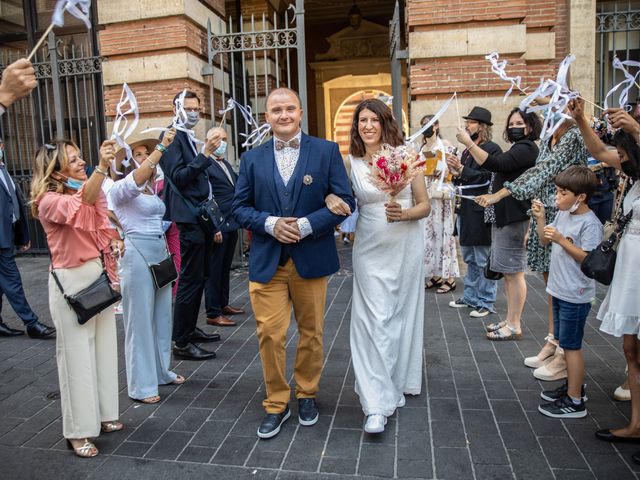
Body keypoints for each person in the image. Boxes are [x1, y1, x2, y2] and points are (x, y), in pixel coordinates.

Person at [232, 87, 354, 439]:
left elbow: (345, 201)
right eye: (275, 110)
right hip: (267, 260)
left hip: (311, 258)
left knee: (311, 333)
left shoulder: (326, 151)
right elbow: (239, 207)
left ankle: (307, 392)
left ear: (300, 113)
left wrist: (304, 225)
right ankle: (276, 401)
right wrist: (270, 224)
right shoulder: (252, 159)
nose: (283, 116)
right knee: (270, 334)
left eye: (289, 109)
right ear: (266, 117)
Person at [327, 98, 430, 434]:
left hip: (405, 242)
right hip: (369, 244)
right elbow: (341, 198)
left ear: (385, 122)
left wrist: (405, 212)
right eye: (361, 121)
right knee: (373, 318)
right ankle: (375, 403)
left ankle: (394, 382)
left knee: (399, 314)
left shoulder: (408, 154)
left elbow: (425, 206)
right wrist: (331, 200)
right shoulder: (350, 161)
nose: (367, 126)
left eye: (373, 119)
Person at [30, 139, 124, 458]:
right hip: (70, 284)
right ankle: (77, 431)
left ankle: (103, 414)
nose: (81, 162)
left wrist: (113, 241)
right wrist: (100, 166)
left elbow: (97, 217)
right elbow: (81, 202)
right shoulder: (48, 201)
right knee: (76, 361)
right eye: (74, 159)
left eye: (81, 157)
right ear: (55, 170)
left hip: (97, 276)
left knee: (103, 350)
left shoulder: (84, 191)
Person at [476, 113, 587, 379]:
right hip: (545, 214)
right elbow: (539, 173)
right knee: (552, 283)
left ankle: (562, 351)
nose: (543, 109)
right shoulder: (551, 138)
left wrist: (499, 194)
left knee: (564, 286)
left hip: (564, 218)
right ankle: (552, 341)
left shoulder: (571, 135)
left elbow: (541, 173)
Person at [110, 130, 188, 404]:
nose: (145, 158)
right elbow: (139, 177)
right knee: (139, 322)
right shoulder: (120, 189)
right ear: (127, 162)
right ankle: (141, 386)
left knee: (162, 316)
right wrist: (160, 150)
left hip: (158, 250)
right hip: (137, 254)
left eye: (146, 153)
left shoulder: (149, 188)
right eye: (138, 154)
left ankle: (161, 371)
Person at [457, 108, 541, 340]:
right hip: (504, 215)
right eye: (511, 122)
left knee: (514, 273)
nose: (513, 126)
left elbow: (496, 164)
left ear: (530, 127)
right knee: (508, 271)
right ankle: (510, 319)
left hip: (515, 216)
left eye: (519, 123)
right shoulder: (519, 147)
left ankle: (514, 325)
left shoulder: (527, 148)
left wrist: (468, 144)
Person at [530, 166, 601, 418]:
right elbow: (544, 240)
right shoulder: (562, 214)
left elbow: (589, 259)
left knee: (571, 346)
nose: (556, 197)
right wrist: (540, 220)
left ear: (580, 197)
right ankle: (573, 385)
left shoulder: (590, 223)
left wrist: (562, 240)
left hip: (576, 292)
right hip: (559, 289)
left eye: (562, 193)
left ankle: (575, 400)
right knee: (562, 341)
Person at [160, 90, 221, 361]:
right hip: (188, 218)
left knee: (201, 276)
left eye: (197, 108)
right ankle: (181, 342)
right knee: (190, 279)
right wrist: (205, 154)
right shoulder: (171, 137)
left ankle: (189, 328)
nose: (194, 112)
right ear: (176, 109)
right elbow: (179, 177)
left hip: (201, 217)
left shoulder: (188, 136)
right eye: (188, 108)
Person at [446, 106, 502, 318]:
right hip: (465, 209)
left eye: (470, 122)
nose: (467, 126)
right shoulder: (467, 150)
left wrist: (462, 170)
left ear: (482, 126)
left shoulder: (492, 149)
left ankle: (486, 301)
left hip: (481, 209)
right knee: (469, 257)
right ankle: (470, 297)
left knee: (482, 258)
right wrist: (455, 170)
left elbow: (488, 176)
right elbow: (466, 176)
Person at [0, 137, 55, 338]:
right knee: (12, 280)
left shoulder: (3, 170)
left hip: (7, 235)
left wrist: (21, 236)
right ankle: (31, 323)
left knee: (4, 282)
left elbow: (13, 204)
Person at [204, 127, 244, 328]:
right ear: (207, 141)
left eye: (225, 139)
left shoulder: (225, 164)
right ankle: (213, 312)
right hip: (218, 225)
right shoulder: (205, 165)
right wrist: (213, 227)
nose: (222, 143)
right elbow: (206, 198)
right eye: (217, 138)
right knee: (214, 269)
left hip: (232, 222)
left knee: (225, 267)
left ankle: (223, 303)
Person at [420, 115, 459, 294]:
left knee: (444, 234)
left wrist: (441, 169)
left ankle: (449, 278)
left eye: (428, 124)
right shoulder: (421, 148)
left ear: (436, 126)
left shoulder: (446, 144)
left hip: (440, 193)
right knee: (429, 235)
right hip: (426, 193)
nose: (425, 128)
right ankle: (435, 274)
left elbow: (455, 169)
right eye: (422, 125)